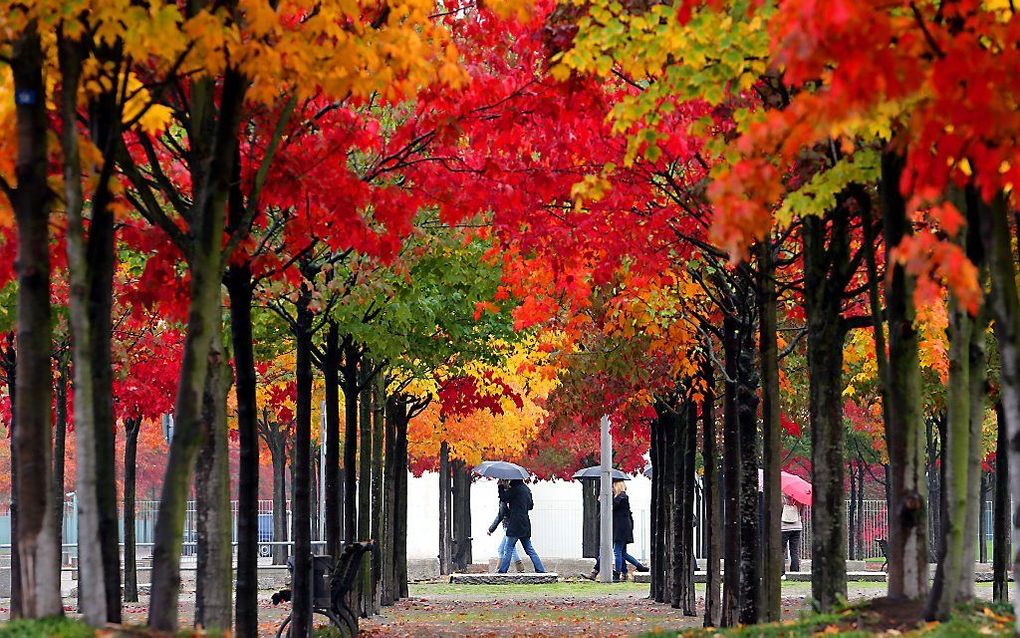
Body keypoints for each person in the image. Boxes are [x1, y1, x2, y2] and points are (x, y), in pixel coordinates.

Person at [588, 480, 647, 581]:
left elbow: (612, 508)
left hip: (621, 529)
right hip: (619, 529)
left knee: (616, 551)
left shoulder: (622, 497)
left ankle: (616, 573)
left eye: (613, 486)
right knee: (622, 553)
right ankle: (638, 567)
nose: (611, 488)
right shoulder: (619, 497)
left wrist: (603, 500)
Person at [497, 479, 546, 573]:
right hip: (525, 522)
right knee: (529, 548)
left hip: (515, 522)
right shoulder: (527, 489)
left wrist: (500, 486)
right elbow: (531, 506)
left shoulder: (515, 489)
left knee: (508, 547)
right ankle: (540, 569)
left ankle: (502, 571)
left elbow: (503, 498)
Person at [488, 479, 524, 573]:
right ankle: (499, 569)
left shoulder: (505, 498)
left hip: (508, 525)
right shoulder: (512, 494)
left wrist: (491, 529)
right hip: (511, 524)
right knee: (502, 548)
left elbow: (500, 515)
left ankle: (518, 569)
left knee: (510, 548)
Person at [781, 494, 803, 572]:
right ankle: (795, 571)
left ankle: (781, 572)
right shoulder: (799, 499)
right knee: (794, 550)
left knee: (781, 550)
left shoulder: (782, 498)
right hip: (797, 527)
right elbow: (801, 513)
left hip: (784, 528)